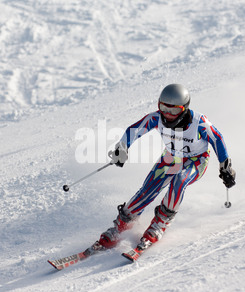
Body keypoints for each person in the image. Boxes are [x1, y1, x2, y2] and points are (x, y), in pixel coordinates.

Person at [97, 84, 236, 255]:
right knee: (148, 189)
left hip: (196, 160)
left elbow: (217, 138)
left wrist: (225, 166)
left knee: (180, 180)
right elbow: (134, 130)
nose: (168, 115)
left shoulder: (199, 122)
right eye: (163, 108)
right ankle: (121, 226)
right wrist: (122, 148)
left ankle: (160, 224)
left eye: (174, 111)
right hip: (171, 157)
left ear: (184, 108)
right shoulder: (156, 118)